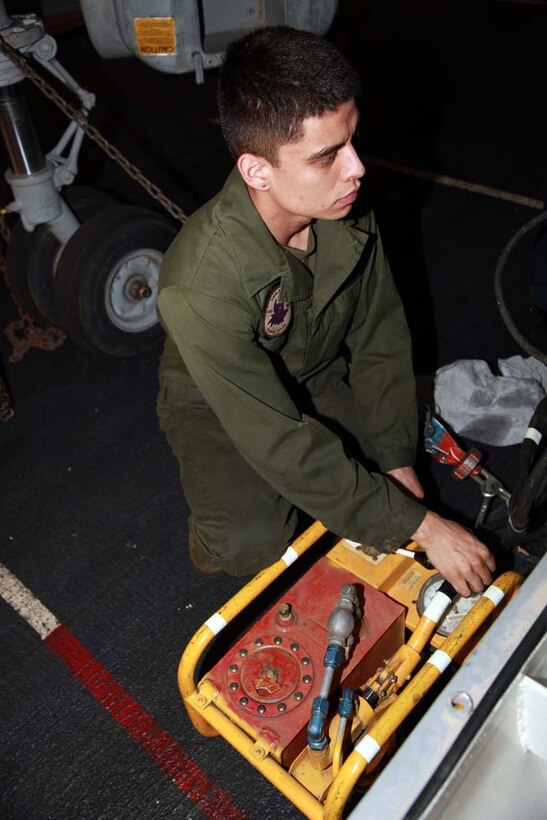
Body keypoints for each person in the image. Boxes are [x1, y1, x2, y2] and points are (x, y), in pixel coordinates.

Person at [156, 25, 495, 597]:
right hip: (221, 402)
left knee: (384, 475)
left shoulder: (343, 206)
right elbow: (276, 436)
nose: (357, 168)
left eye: (352, 140)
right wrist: (422, 526)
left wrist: (395, 458)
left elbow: (380, 338)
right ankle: (215, 530)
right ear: (257, 171)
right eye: (327, 156)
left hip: (313, 371)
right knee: (253, 539)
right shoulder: (197, 286)